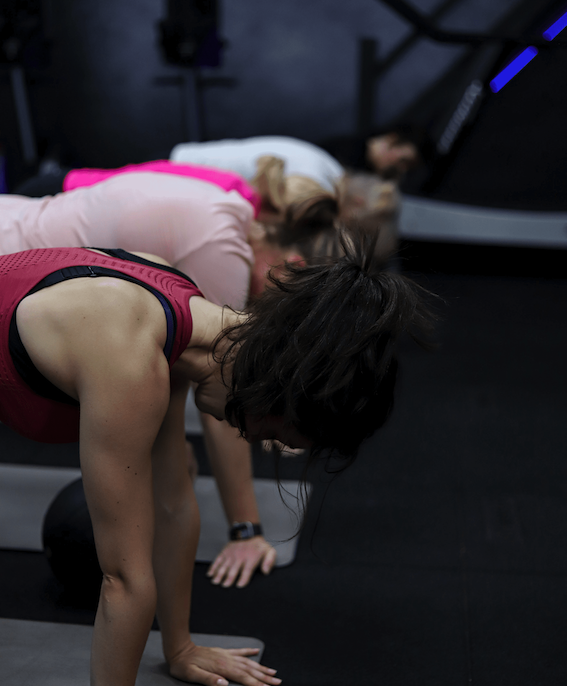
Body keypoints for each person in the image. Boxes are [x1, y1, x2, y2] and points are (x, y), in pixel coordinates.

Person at [0, 231, 433, 685]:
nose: (244, 435)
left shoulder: (179, 312)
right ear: (275, 395)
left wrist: (180, 647)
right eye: (266, 432)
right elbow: (124, 580)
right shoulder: (128, 356)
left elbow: (172, 504)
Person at [0, 169, 339, 588]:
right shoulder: (221, 248)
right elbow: (227, 387)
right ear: (293, 267)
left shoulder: (224, 205)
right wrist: (245, 529)